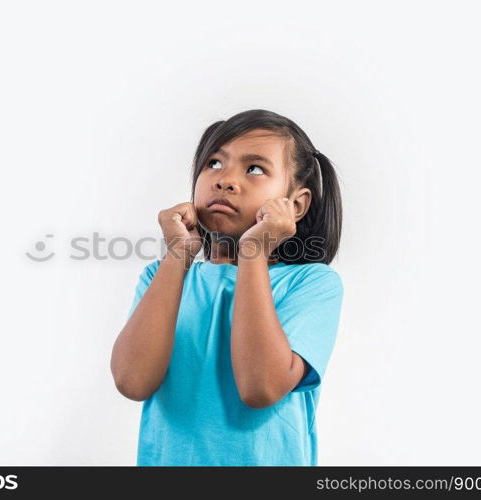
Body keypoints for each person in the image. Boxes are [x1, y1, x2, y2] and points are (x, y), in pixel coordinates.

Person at [110, 109, 344, 466]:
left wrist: (253, 253)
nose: (225, 180)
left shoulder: (311, 283)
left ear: (295, 205)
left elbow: (260, 388)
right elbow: (132, 382)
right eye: (214, 164)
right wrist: (178, 255)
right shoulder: (165, 277)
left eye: (254, 169)